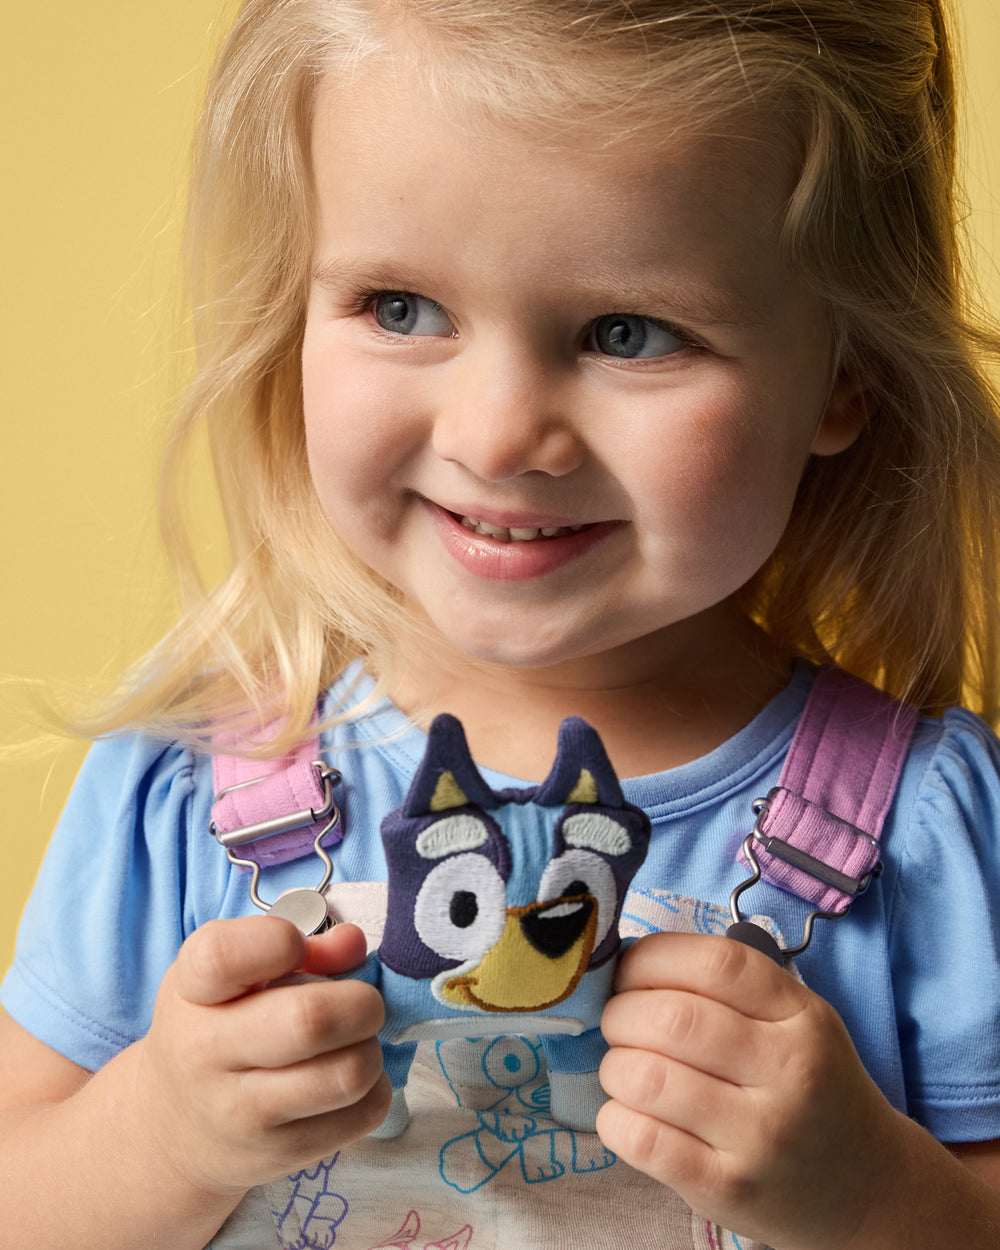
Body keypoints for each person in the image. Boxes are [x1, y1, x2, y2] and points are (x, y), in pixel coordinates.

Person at [2, 0, 1000, 1246]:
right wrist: (158, 1132)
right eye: (401, 307)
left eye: (627, 332)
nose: (494, 436)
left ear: (846, 371)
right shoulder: (184, 797)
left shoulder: (927, 827)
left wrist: (868, 1195)